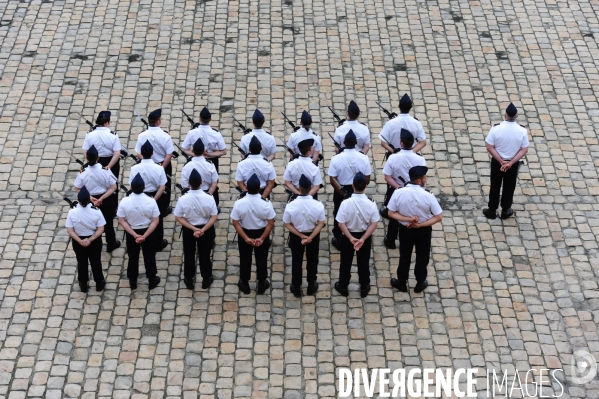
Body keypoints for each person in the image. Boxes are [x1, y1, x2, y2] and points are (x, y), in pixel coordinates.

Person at [387, 166, 443, 293]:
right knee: (422, 256)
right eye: (424, 177)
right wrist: (419, 225)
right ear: (419, 181)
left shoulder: (399, 192)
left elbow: (391, 213)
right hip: (423, 230)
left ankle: (401, 282)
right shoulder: (428, 196)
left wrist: (407, 219)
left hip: (405, 229)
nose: (426, 179)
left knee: (404, 256)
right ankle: (420, 282)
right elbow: (439, 216)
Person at [333, 172, 379, 298]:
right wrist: (363, 239)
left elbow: (341, 224)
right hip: (364, 235)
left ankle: (343, 285)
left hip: (349, 235)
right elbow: (374, 224)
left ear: (353, 186)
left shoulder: (345, 203)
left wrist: (351, 238)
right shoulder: (371, 203)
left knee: (346, 262)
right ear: (365, 186)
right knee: (363, 262)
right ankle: (364, 286)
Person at [381, 129, 427, 249]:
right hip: (414, 189)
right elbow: (422, 179)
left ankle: (391, 239)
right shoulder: (420, 159)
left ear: (401, 143)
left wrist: (399, 187)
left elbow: (387, 177)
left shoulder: (393, 158)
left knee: (394, 215)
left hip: (397, 189)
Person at [231, 174, 276, 295]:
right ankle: (261, 283)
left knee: (245, 259)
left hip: (245, 232)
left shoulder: (239, 203)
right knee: (262, 258)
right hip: (261, 232)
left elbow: (235, 223)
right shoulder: (266, 203)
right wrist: (262, 238)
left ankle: (244, 283)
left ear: (246, 187)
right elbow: (270, 223)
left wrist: (245, 238)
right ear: (259, 188)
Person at [174, 169, 218, 290]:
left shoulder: (183, 199)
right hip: (206, 229)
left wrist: (193, 229)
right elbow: (214, 216)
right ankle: (206, 278)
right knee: (205, 254)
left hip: (189, 229)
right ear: (201, 182)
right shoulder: (209, 197)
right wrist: (202, 230)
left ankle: (189, 279)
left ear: (188, 183)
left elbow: (178, 216)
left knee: (189, 254)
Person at [483, 103, 529, 220]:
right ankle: (505, 210)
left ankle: (492, 210)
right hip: (512, 164)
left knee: (495, 185)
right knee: (509, 186)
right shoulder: (522, 131)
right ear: (517, 116)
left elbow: (489, 147)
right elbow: (524, 149)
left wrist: (501, 161)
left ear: (505, 115)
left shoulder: (496, 128)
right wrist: (510, 163)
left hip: (497, 162)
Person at [327, 130, 371, 250]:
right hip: (358, 187)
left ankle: (338, 236)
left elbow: (332, 179)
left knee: (338, 213)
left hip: (341, 189)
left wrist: (343, 194)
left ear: (344, 142)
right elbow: (367, 178)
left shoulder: (336, 158)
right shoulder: (363, 158)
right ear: (356, 142)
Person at [283, 175, 326, 297]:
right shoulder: (318, 205)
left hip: (297, 235)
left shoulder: (291, 205)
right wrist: (310, 237)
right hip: (313, 235)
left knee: (297, 260)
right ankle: (311, 284)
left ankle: (296, 286)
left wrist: (301, 235)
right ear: (310, 187)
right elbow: (321, 223)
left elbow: (287, 223)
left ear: (299, 188)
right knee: (312, 259)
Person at [117, 174, 161, 290]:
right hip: (148, 230)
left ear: (131, 187)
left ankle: (133, 281)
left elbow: (121, 220)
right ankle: (152, 279)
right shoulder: (151, 201)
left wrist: (134, 234)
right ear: (144, 187)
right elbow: (155, 221)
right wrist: (145, 235)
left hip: (132, 231)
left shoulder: (125, 201)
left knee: (133, 256)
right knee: (149, 255)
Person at [73, 145, 121, 252]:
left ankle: (94, 242)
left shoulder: (83, 172)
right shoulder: (105, 170)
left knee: (93, 222)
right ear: (98, 157)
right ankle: (111, 243)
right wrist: (101, 199)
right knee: (108, 222)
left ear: (87, 158)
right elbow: (113, 187)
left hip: (89, 199)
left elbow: (77, 188)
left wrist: (91, 198)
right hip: (106, 199)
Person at [129, 141, 169, 251]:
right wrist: (154, 200)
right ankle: (158, 242)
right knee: (157, 218)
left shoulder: (134, 168)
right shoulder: (159, 168)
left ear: (141, 153)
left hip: (140, 194)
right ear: (152, 153)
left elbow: (132, 186)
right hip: (155, 195)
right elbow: (162, 187)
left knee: (140, 216)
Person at [65, 186, 107, 293]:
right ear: (89, 199)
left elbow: (70, 230)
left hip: (78, 240)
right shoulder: (96, 211)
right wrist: (90, 240)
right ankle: (99, 283)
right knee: (96, 261)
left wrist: (80, 241)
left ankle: (83, 284)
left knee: (82, 262)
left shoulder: (72, 212)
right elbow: (101, 229)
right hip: (94, 240)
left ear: (78, 200)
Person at [135, 108, 174, 215]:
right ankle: (163, 207)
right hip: (163, 164)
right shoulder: (165, 135)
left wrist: (146, 163)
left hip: (147, 163)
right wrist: (162, 168)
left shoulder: (142, 135)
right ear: (158, 121)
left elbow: (138, 153)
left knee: (147, 184)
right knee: (164, 186)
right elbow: (169, 154)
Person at [181, 107, 227, 172]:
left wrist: (198, 154)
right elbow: (224, 151)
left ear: (199, 119)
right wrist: (209, 154)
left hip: (196, 160)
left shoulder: (192, 133)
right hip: (212, 161)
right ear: (210, 119)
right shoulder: (216, 134)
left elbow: (184, 149)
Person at [82, 110, 122, 178]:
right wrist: (108, 167)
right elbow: (117, 154)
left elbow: (84, 151)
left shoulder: (89, 134)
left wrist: (92, 162)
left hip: (95, 161)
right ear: (106, 123)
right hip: (110, 161)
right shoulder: (113, 135)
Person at [181, 138, 219, 206]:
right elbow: (214, 184)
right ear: (204, 151)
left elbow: (185, 186)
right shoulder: (210, 166)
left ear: (192, 151)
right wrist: (208, 196)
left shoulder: (186, 167)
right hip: (207, 192)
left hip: (192, 195)